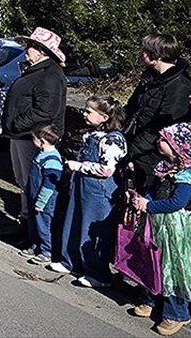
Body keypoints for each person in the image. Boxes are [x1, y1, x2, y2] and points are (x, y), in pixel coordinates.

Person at [48, 95, 127, 289]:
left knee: (92, 228)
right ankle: (71, 261)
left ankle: (97, 272)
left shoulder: (113, 140)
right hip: (81, 184)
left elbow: (107, 169)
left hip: (98, 189)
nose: (84, 114)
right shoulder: (92, 134)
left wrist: (79, 166)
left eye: (89, 111)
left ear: (104, 117)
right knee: (74, 219)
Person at [129, 122, 191, 336]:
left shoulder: (188, 176)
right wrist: (143, 199)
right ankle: (151, 298)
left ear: (180, 146)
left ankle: (177, 312)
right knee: (154, 261)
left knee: (174, 268)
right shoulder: (163, 167)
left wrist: (149, 205)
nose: (159, 142)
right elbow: (152, 189)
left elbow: (177, 202)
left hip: (177, 228)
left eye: (165, 140)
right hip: (158, 224)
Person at [2, 27, 67, 217]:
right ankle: (26, 217)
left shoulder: (49, 75)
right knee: (24, 180)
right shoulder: (39, 70)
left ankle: (33, 224)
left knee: (33, 181)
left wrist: (17, 123)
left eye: (30, 46)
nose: (26, 50)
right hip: (22, 135)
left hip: (31, 136)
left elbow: (46, 111)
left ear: (41, 51)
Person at [123, 34, 191, 190]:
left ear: (156, 55)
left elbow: (164, 127)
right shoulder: (149, 78)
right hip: (137, 150)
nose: (141, 54)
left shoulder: (179, 86)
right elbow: (132, 109)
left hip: (156, 156)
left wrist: (130, 151)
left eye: (144, 50)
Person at [23, 123, 63, 265]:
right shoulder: (42, 155)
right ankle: (35, 245)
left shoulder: (52, 160)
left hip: (44, 201)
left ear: (42, 141)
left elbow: (49, 185)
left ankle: (47, 250)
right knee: (33, 223)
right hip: (34, 195)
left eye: (33, 138)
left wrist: (41, 202)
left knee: (44, 225)